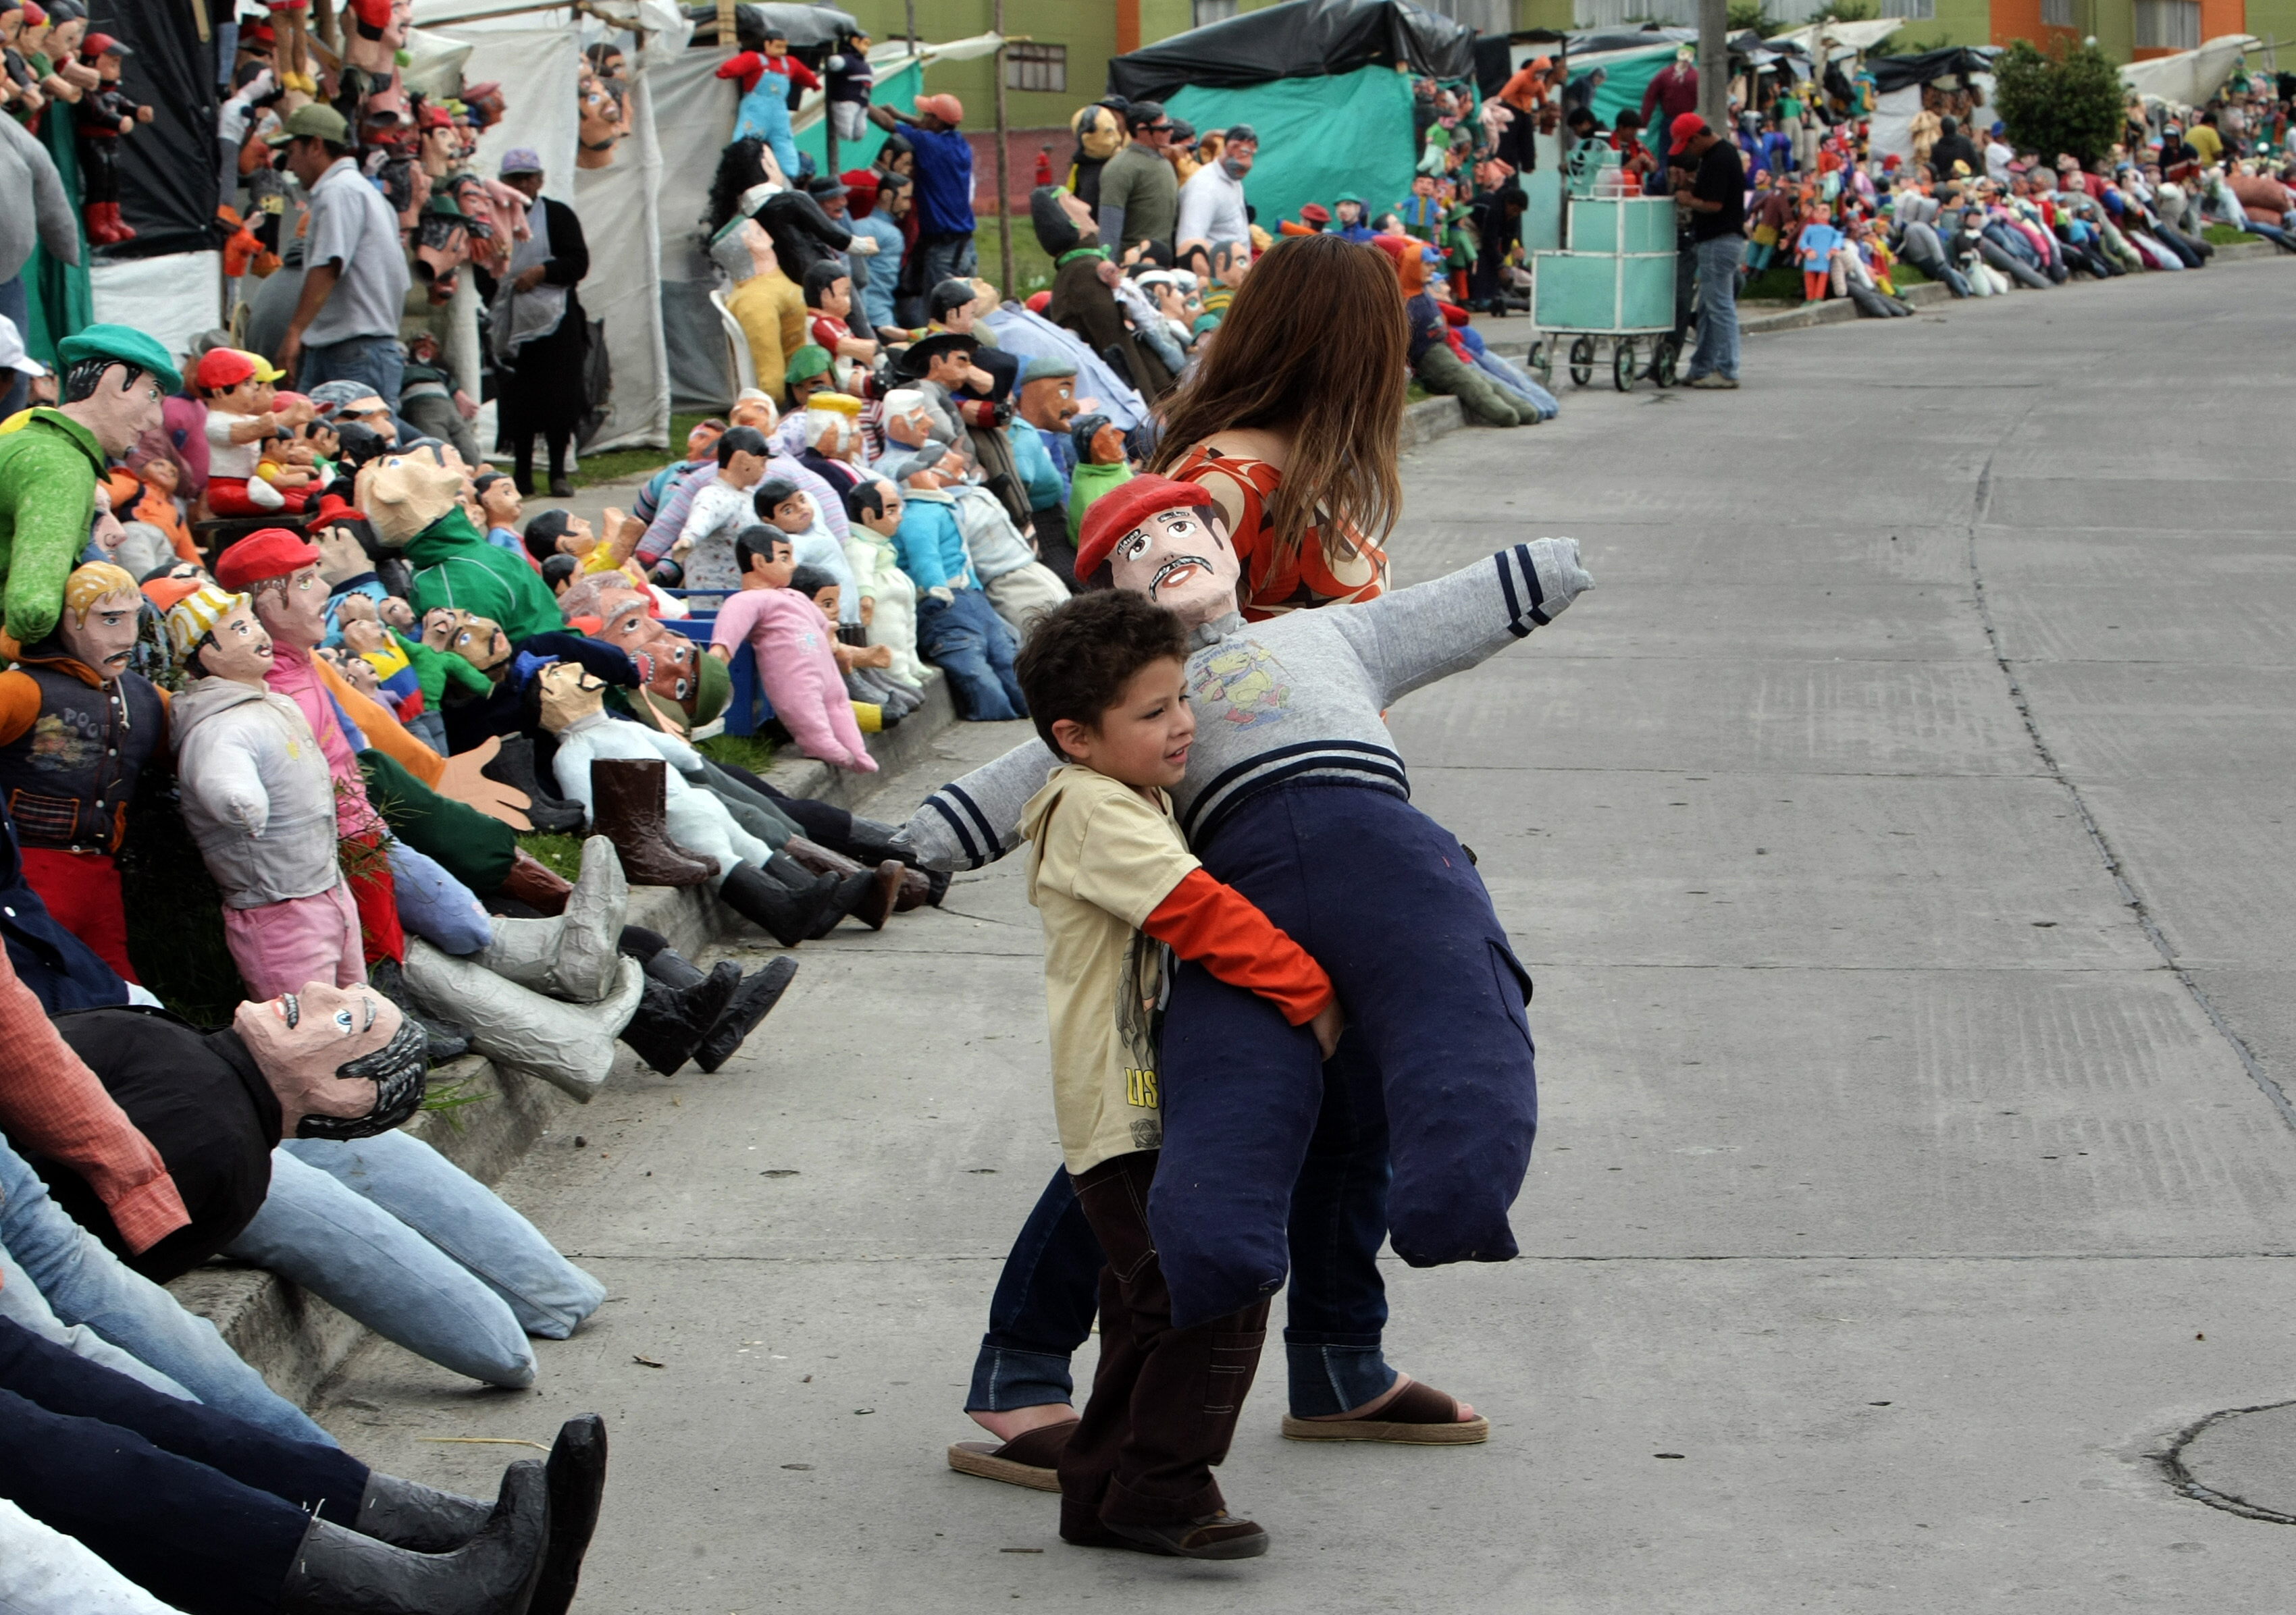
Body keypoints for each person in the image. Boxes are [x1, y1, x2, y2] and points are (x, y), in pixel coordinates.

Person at [984, 587, 1347, 1560]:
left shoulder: (1127, 791)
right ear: (1076, 736)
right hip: (1125, 1112)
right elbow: (1202, 915)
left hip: (1152, 1108)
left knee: (1152, 1302)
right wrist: (1311, 995)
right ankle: (1164, 1488)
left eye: (1181, 698)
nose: (1184, 723)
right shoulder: (1093, 809)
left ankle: (1105, 1492)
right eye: (1153, 713)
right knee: (1208, 1286)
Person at [271, 103, 410, 405]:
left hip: (352, 351)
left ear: (316, 146)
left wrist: (294, 332)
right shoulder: (363, 191)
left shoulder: (338, 191)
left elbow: (329, 265)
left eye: (292, 151)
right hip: (355, 348)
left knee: (355, 444)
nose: (289, 165)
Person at [491, 149, 591, 496]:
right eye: (514, 179)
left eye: (527, 178)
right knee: (519, 399)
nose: (521, 184)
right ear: (503, 183)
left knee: (559, 397)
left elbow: (578, 262)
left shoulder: (558, 216)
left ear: (539, 180)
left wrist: (543, 272)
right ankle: (521, 473)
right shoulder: (493, 219)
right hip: (512, 322)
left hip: (557, 321)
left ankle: (558, 473)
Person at [868, 93, 976, 295]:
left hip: (943, 249)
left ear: (936, 121)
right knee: (966, 308)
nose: (923, 119)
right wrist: (901, 114)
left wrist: (860, 101)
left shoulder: (929, 144)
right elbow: (926, 127)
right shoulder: (961, 145)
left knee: (943, 313)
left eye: (927, 115)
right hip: (966, 246)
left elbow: (888, 124)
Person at [1670, 113, 1746, 390]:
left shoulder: (1718, 159)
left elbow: (1714, 204)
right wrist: (1689, 185)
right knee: (1708, 308)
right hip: (1721, 240)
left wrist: (1688, 200)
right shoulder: (1721, 155)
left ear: (1697, 138)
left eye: (1688, 146)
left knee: (1720, 307)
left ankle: (1727, 369)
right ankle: (1701, 366)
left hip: (1718, 240)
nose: (1688, 152)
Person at [1097, 101, 1180, 260]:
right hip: (1132, 262)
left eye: (1170, 125)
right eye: (1163, 128)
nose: (1170, 131)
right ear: (1142, 130)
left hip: (1162, 259)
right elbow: (1110, 227)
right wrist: (1109, 265)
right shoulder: (1121, 167)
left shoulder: (1163, 162)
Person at [1174, 123, 1253, 259]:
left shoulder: (1233, 179)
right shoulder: (1204, 187)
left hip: (1235, 270)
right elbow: (1188, 244)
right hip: (1215, 273)